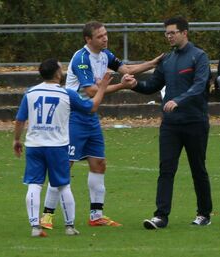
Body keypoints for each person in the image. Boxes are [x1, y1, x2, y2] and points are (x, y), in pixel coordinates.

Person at [40, 21, 160, 229]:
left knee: (99, 164)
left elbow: (127, 69)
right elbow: (92, 92)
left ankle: (96, 215)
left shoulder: (105, 54)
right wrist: (122, 85)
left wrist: (153, 63)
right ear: (88, 39)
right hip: (73, 118)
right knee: (64, 167)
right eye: (100, 36)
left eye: (106, 34)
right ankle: (47, 215)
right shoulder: (82, 58)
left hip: (91, 118)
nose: (105, 38)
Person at [124, 16, 213, 229]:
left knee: (198, 169)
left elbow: (200, 85)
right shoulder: (167, 60)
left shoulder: (199, 57)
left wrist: (178, 100)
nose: (169, 36)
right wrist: (134, 84)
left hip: (195, 122)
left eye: (172, 32)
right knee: (166, 169)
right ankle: (161, 216)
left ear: (184, 32)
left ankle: (204, 213)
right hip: (170, 125)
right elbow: (152, 85)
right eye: (167, 33)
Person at [13, 58, 112, 237]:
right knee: (63, 185)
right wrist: (103, 86)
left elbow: (20, 120)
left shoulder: (30, 92)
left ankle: (35, 227)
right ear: (58, 73)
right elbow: (92, 107)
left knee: (34, 185)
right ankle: (69, 227)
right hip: (57, 146)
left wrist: (16, 140)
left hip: (35, 146)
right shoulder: (67, 94)